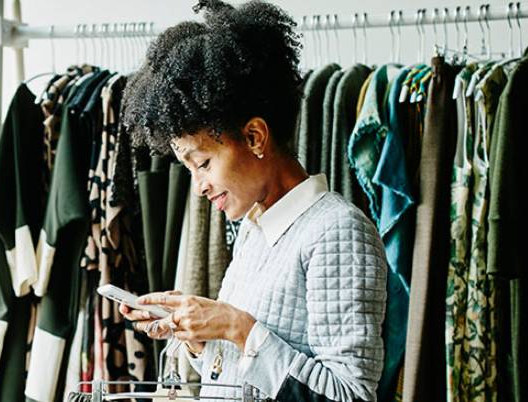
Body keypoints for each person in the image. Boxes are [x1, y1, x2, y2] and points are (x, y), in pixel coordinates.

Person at [119, 1, 388, 401]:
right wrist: (200, 336)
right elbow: (244, 377)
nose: (199, 187)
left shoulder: (338, 232)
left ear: (254, 137)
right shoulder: (254, 227)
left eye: (203, 163)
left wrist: (236, 326)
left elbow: (351, 395)